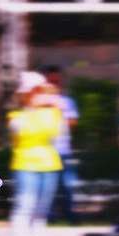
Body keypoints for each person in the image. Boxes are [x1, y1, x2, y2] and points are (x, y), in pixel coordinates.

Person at [7, 72, 64, 236]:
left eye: (38, 90)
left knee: (42, 208)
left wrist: (53, 104)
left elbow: (56, 132)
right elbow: (21, 133)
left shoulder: (53, 113)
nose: (36, 94)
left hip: (50, 164)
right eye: (32, 91)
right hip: (25, 164)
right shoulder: (16, 116)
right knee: (25, 205)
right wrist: (32, 108)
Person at [43, 65, 80, 224]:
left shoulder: (67, 101)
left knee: (68, 184)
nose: (54, 84)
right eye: (51, 81)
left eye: (57, 81)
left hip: (63, 150)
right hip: (45, 151)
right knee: (48, 185)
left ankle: (70, 214)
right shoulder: (39, 104)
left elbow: (73, 122)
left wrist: (58, 113)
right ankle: (49, 215)